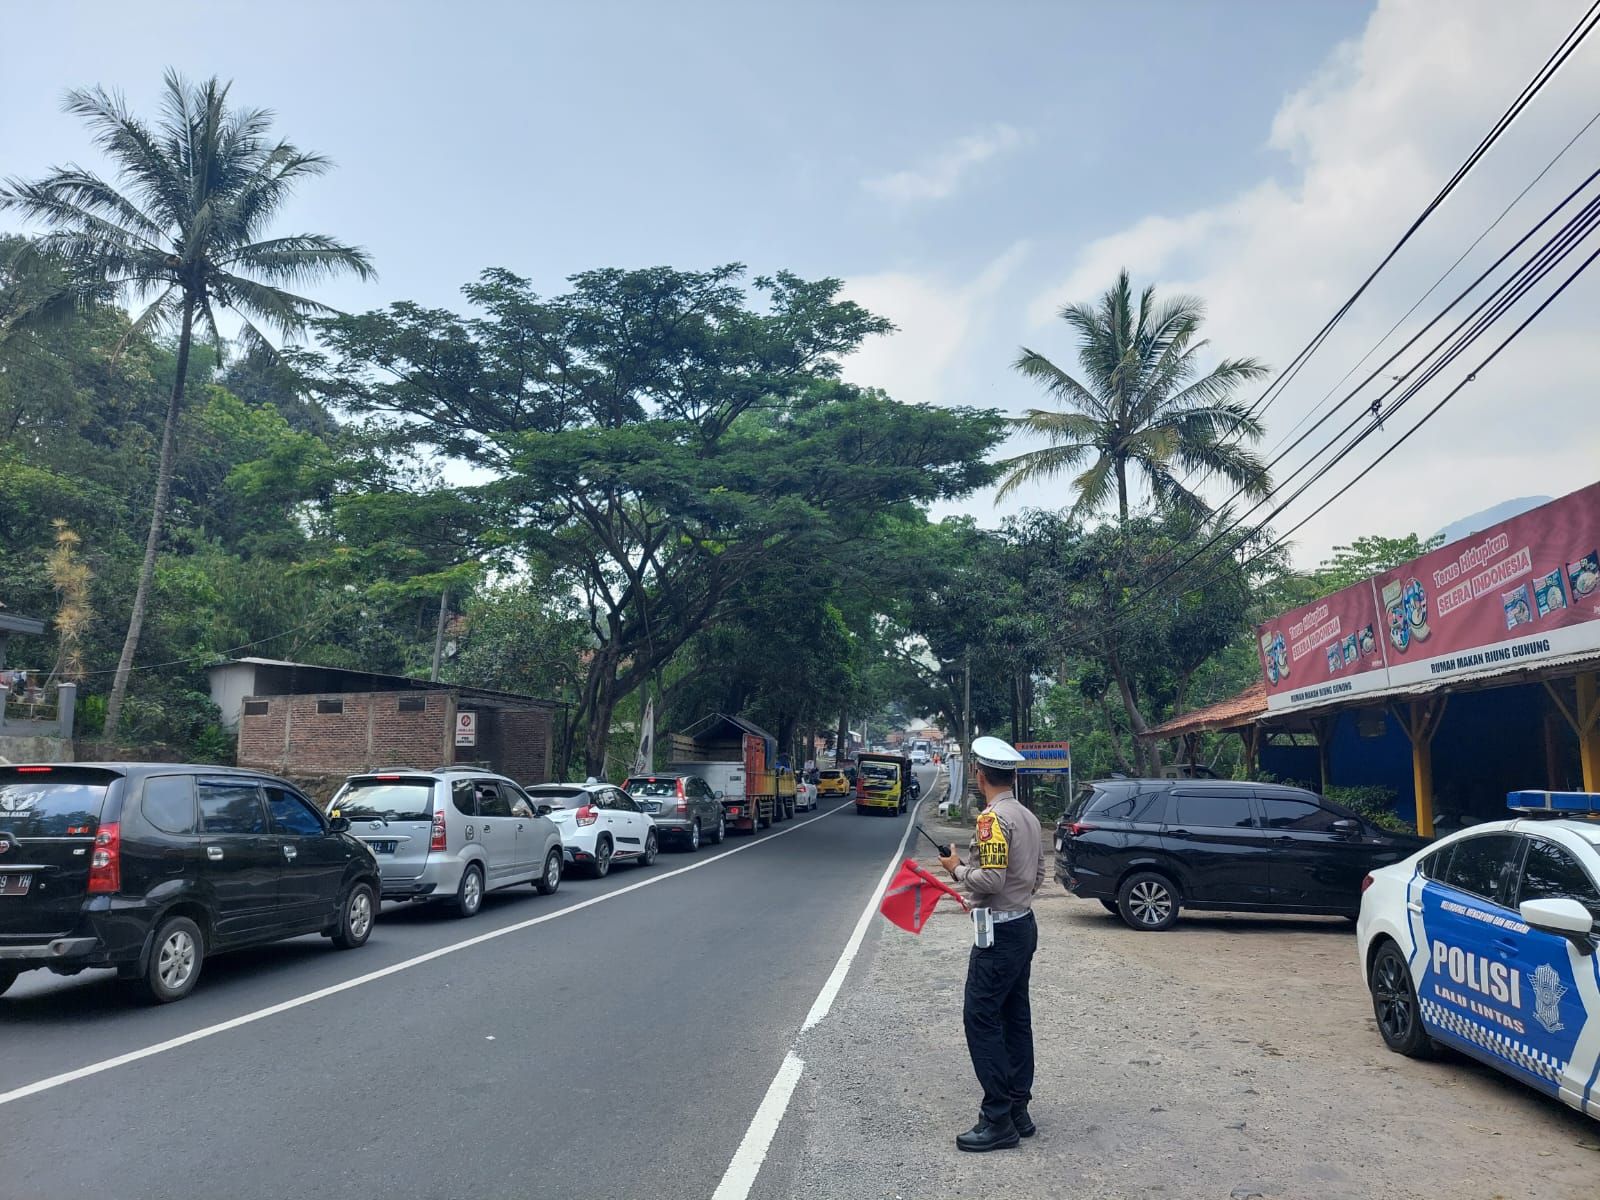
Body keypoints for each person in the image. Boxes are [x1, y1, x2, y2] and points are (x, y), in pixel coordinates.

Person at [937, 734, 1046, 1153]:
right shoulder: (1029, 817)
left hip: (999, 935)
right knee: (1015, 1019)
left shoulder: (990, 821)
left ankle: (997, 1116)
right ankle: (1018, 1109)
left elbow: (991, 879)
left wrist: (957, 870)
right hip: (1023, 925)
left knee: (980, 1019)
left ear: (979, 776)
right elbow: (1036, 876)